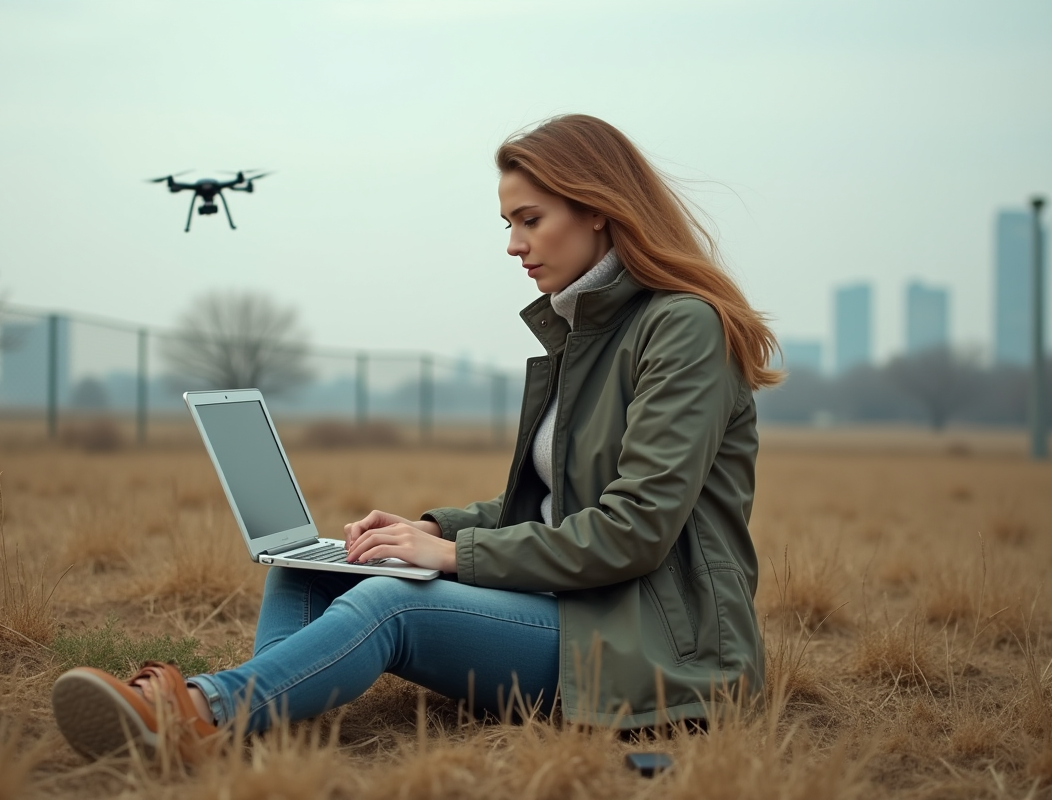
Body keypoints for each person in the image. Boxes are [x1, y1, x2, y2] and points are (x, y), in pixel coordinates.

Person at [51, 114, 781, 762]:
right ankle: (256, 719)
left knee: (389, 604)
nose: (513, 245)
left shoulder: (682, 328)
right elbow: (553, 501)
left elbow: (635, 530)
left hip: (647, 645)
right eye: (507, 224)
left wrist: (450, 555)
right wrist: (430, 527)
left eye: (529, 219)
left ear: (597, 210)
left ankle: (199, 713)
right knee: (311, 570)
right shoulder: (586, 330)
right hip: (573, 607)